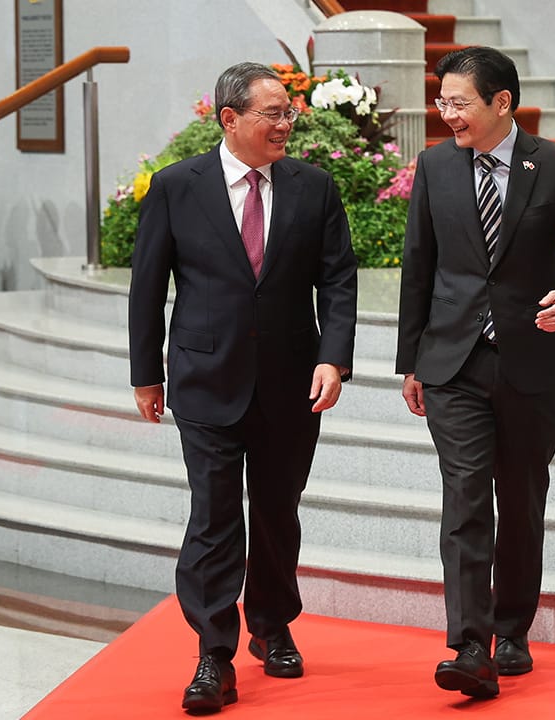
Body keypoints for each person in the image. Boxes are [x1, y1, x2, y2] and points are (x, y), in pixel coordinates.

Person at [128, 62, 357, 714]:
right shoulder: (177, 187)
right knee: (214, 517)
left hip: (292, 381)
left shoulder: (314, 187)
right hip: (205, 379)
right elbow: (148, 287)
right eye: (271, 113)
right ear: (229, 119)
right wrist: (147, 373)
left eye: (288, 112)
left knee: (279, 512)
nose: (285, 123)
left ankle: (273, 625)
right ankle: (212, 654)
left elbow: (338, 280)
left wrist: (334, 358)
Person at [395, 46, 555, 700]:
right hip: (453, 362)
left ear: (502, 103)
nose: (447, 114)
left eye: (459, 102)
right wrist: (411, 360)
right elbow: (418, 266)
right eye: (442, 102)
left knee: (519, 501)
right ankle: (469, 645)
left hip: (533, 360)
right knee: (465, 499)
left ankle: (513, 628)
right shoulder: (435, 165)